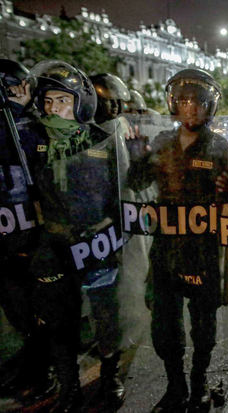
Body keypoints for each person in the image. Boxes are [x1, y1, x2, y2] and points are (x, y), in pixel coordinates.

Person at [126, 68, 228, 413]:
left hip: (203, 250)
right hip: (166, 249)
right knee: (165, 328)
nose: (189, 108)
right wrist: (139, 154)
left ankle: (199, 384)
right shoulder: (162, 143)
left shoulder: (219, 146)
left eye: (196, 101)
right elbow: (137, 182)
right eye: (183, 101)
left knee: (203, 328)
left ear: (208, 106)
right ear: (174, 104)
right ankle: (176, 387)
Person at [27, 60, 120, 412]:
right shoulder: (34, 139)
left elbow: (120, 191)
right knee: (59, 324)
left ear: (80, 102)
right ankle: (69, 387)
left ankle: (109, 377)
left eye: (62, 101)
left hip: (98, 246)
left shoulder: (102, 140)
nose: (54, 109)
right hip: (54, 246)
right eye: (48, 101)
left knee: (106, 319)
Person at [0, 58, 56, 401]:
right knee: (14, 310)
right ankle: (28, 367)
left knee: (36, 312)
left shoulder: (33, 129)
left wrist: (17, 114)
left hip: (31, 235)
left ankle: (42, 374)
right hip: (5, 237)